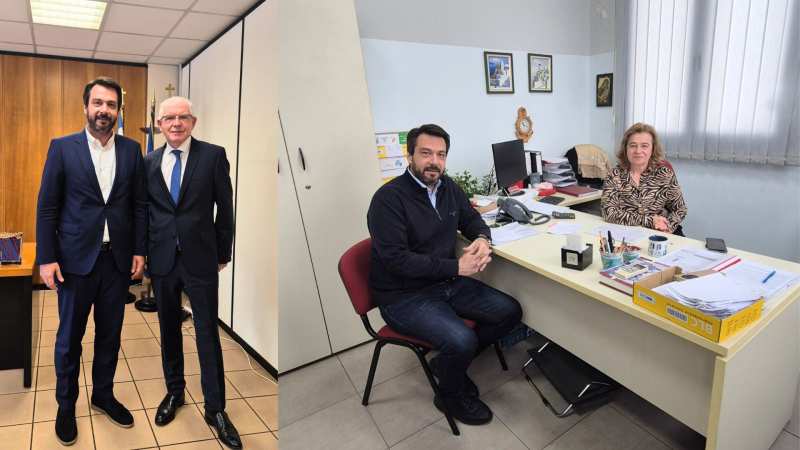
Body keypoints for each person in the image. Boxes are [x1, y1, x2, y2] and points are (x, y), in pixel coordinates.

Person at [367, 124, 522, 426]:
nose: (434, 161)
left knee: (510, 312)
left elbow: (472, 219)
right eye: (426, 153)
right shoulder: (388, 200)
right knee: (461, 340)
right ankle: (449, 396)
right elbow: (397, 260)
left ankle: (447, 364)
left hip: (444, 283)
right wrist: (456, 268)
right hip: (403, 296)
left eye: (441, 154)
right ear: (410, 155)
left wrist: (482, 238)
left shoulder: (448, 187)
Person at [36, 77, 146, 445]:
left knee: (110, 335)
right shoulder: (62, 148)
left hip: (116, 263)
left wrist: (139, 250)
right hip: (74, 263)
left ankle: (103, 394)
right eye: (98, 103)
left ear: (118, 111)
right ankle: (66, 406)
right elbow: (47, 207)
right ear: (85, 107)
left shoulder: (132, 151)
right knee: (69, 340)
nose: (104, 110)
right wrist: (46, 258)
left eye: (111, 104)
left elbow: (139, 206)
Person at [144, 96, 240, 449]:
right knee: (168, 329)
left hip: (201, 260)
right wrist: (144, 255)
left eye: (183, 117)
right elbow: (146, 212)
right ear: (159, 124)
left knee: (206, 334)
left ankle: (215, 409)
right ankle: (175, 392)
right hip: (162, 261)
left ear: (193, 122)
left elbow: (225, 209)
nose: (176, 123)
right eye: (169, 118)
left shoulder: (212, 156)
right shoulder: (148, 162)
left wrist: (222, 252)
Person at [602, 122, 687, 235]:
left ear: (653, 149)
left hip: (660, 234)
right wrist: (649, 221)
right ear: (626, 148)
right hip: (627, 234)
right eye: (633, 145)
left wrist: (667, 226)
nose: (638, 151)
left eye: (644, 146)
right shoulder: (614, 175)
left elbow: (680, 208)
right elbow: (608, 213)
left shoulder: (664, 174)